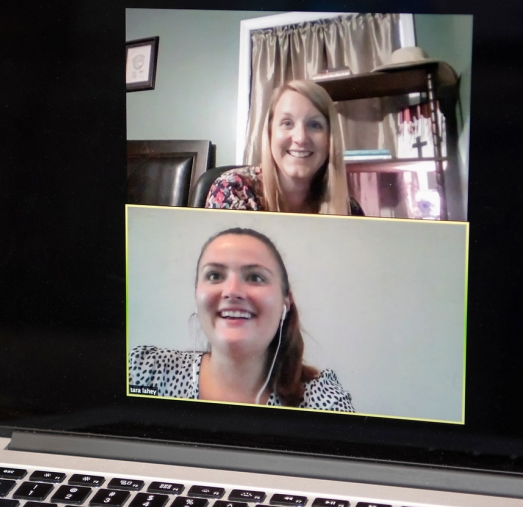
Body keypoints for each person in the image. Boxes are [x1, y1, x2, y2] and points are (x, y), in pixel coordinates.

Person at [129, 228, 353, 412]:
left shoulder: (324, 401)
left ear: (286, 302)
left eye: (255, 277)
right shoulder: (145, 370)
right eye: (215, 276)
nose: (232, 291)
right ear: (197, 293)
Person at [206, 80, 364, 216]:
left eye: (315, 125)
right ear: (270, 133)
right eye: (287, 123)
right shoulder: (235, 189)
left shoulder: (349, 210)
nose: (301, 138)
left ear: (330, 138)